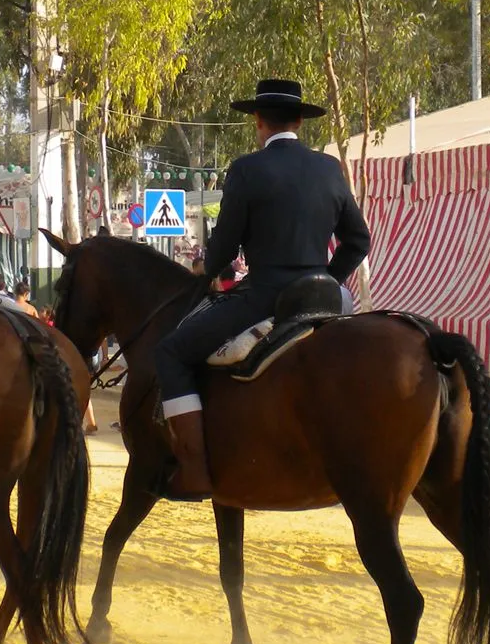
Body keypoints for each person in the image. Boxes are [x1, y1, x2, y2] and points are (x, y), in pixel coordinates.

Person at [154, 78, 371, 499]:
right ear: (299, 121)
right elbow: (358, 240)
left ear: (258, 121)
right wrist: (326, 276)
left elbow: (224, 247)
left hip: (264, 296)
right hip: (325, 295)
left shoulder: (248, 169)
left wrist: (209, 272)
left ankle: (195, 471)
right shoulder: (330, 168)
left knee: (171, 352)